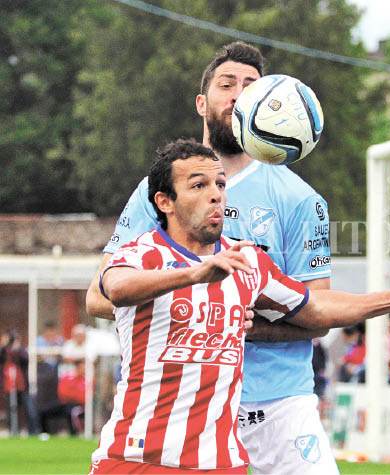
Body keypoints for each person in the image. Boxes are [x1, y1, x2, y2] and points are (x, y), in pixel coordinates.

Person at [89, 138, 390, 473]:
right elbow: (116, 288)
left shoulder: (246, 261)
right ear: (165, 201)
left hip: (217, 463)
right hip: (135, 458)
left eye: (220, 184)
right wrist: (195, 274)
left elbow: (317, 310)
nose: (215, 195)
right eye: (199, 185)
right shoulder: (140, 253)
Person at [85, 41, 340, 473]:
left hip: (277, 401)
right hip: (179, 408)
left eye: (251, 86)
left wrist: (247, 327)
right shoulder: (157, 190)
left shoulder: (300, 199)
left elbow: (321, 312)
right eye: (227, 84)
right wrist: (203, 313)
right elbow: (97, 298)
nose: (238, 95)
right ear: (202, 103)